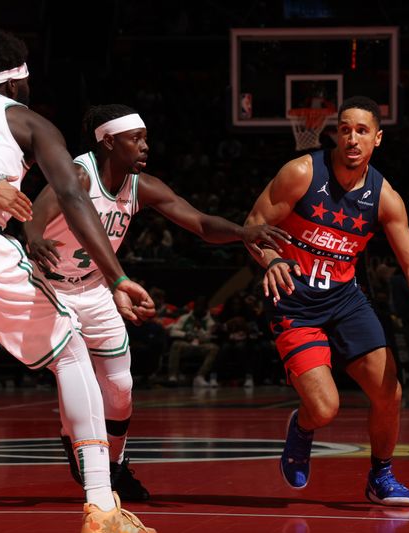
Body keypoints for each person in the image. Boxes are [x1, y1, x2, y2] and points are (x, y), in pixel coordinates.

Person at [0, 29, 155, 531]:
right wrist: (118, 276)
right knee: (71, 352)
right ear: (17, 79)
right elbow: (75, 200)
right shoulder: (28, 120)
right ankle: (102, 504)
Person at [19, 104, 288, 499]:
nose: (146, 146)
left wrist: (242, 233)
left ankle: (117, 464)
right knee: (76, 373)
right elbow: (34, 213)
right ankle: (78, 448)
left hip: (95, 287)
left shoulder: (140, 185)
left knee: (121, 386)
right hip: (50, 286)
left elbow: (197, 222)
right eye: (136, 139)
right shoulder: (78, 173)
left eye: (145, 138)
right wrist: (34, 235)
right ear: (108, 141)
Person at [244, 96, 409, 507]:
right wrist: (272, 257)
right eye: (345, 128)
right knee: (325, 408)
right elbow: (254, 225)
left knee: (390, 393)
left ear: (377, 138)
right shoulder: (301, 173)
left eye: (362, 130)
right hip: (295, 303)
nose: (352, 137)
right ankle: (302, 427)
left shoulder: (385, 197)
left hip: (346, 301)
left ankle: (380, 477)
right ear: (334, 133)